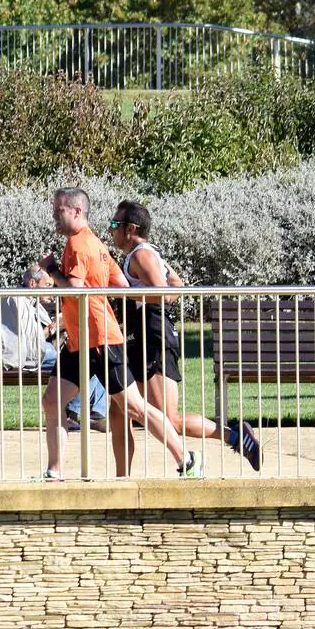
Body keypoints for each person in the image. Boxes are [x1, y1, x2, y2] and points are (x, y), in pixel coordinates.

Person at [38, 188, 197, 481]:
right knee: (51, 400)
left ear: (76, 212)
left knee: (135, 406)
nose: (54, 216)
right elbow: (123, 285)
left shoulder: (77, 244)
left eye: (58, 211)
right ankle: (55, 471)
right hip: (79, 340)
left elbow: (73, 288)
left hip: (99, 339)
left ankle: (187, 459)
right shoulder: (98, 245)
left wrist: (51, 270)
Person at [110, 201, 262, 470]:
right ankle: (123, 479)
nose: (111, 231)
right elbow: (176, 284)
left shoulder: (141, 255)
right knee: (119, 412)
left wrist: (122, 292)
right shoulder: (148, 253)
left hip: (151, 338)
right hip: (139, 338)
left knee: (168, 420)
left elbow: (163, 292)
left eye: (114, 225)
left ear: (130, 228)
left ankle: (235, 436)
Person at [0, 265, 109, 432]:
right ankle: (75, 413)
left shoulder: (31, 301)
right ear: (33, 283)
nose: (51, 289)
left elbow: (42, 337)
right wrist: (55, 326)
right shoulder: (17, 300)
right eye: (47, 285)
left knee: (94, 357)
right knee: (81, 360)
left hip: (44, 351)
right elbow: (31, 343)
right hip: (24, 356)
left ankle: (96, 413)